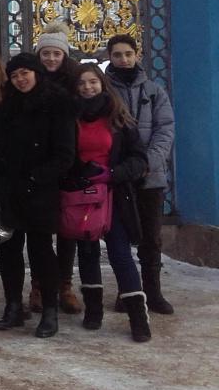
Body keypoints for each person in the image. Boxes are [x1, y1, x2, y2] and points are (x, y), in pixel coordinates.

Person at [0, 53, 76, 338]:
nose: (20, 79)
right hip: (10, 189)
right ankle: (13, 306)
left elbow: (65, 153)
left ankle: (50, 311)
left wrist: (38, 175)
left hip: (40, 191)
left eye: (25, 73)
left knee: (41, 252)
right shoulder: (7, 106)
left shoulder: (58, 104)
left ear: (36, 73)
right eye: (15, 75)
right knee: (9, 250)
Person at [68, 64, 152, 341]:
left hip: (114, 195)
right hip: (82, 197)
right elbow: (64, 155)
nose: (87, 88)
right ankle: (93, 311)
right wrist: (75, 176)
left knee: (119, 253)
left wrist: (113, 174)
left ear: (102, 84)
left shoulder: (118, 119)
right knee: (88, 253)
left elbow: (139, 160)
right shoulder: (71, 119)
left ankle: (138, 317)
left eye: (92, 82)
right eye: (81, 83)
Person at [105, 34, 176, 315]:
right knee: (120, 237)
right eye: (117, 54)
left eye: (128, 54)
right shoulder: (103, 91)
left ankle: (153, 292)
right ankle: (128, 290)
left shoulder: (154, 91)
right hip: (119, 176)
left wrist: (148, 162)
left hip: (150, 177)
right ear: (109, 57)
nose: (123, 59)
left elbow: (165, 129)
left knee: (151, 236)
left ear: (137, 55)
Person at [34, 22, 84, 316]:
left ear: (64, 55)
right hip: (40, 167)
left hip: (70, 164)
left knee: (67, 232)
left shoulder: (76, 82)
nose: (51, 59)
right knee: (40, 233)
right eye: (46, 54)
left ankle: (65, 284)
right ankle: (39, 286)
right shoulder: (30, 79)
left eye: (56, 54)